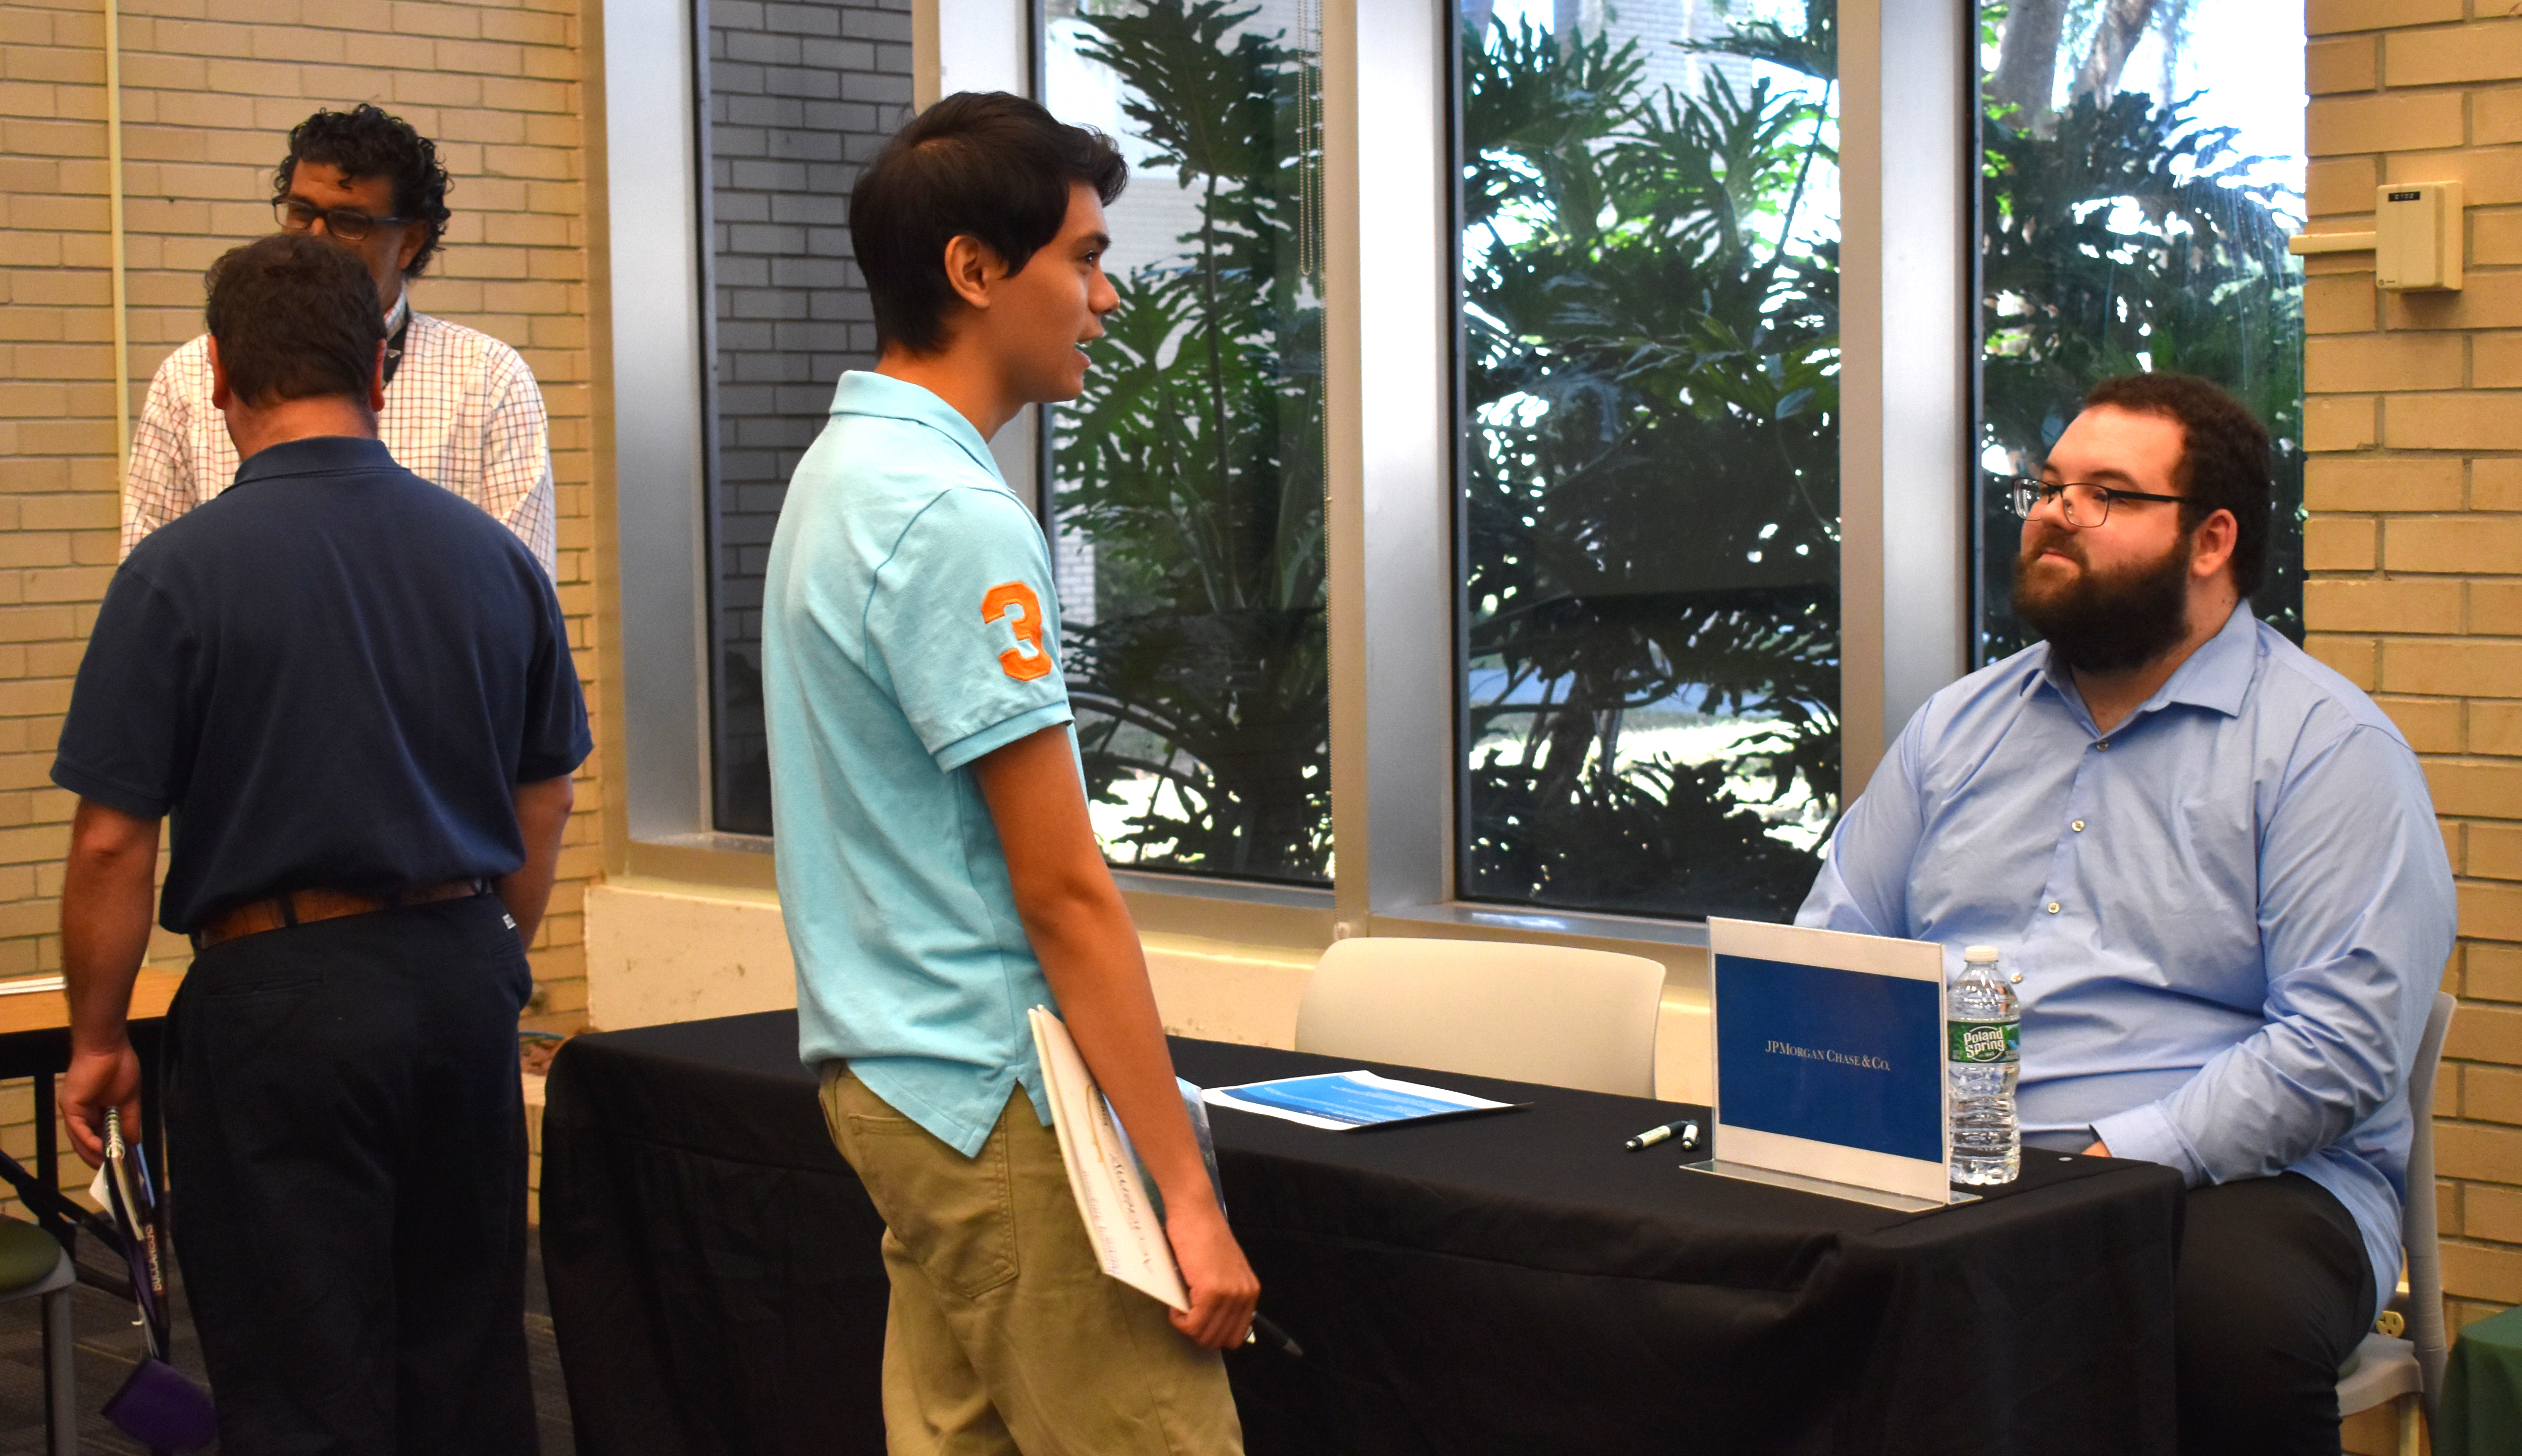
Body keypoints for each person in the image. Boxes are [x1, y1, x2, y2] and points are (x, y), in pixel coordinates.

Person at [1799, 373, 2453, 1454]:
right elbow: (1837, 945)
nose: (2056, 511)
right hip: (1956, 1154)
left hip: (2239, 1182)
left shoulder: (2328, 751)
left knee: (2216, 1327)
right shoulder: (1955, 728)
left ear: (2210, 541)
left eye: (2106, 494)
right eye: (2050, 485)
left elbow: (2336, 1049)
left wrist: (2107, 1167)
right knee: (1735, 1274)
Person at [761, 91, 1258, 1454]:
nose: (1103, 297)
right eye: (1082, 258)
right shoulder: (952, 514)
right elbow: (1060, 891)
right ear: (974, 270)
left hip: (898, 1081)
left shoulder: (840, 474)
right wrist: (1184, 1193)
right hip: (997, 1093)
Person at [53, 232, 588, 1452]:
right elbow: (544, 796)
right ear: (381, 377)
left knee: (302, 1372)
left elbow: (110, 845)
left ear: (221, 379)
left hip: (278, 1001)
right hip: (461, 985)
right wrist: (488, 947)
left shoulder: (175, 576)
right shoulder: (498, 564)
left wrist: (97, 1040)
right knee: (467, 1353)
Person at [122, 102, 558, 575]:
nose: (313, 238)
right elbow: (151, 574)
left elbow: (519, 591)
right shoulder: (190, 375)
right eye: (300, 212)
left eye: (349, 223)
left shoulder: (489, 379)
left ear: (410, 241)